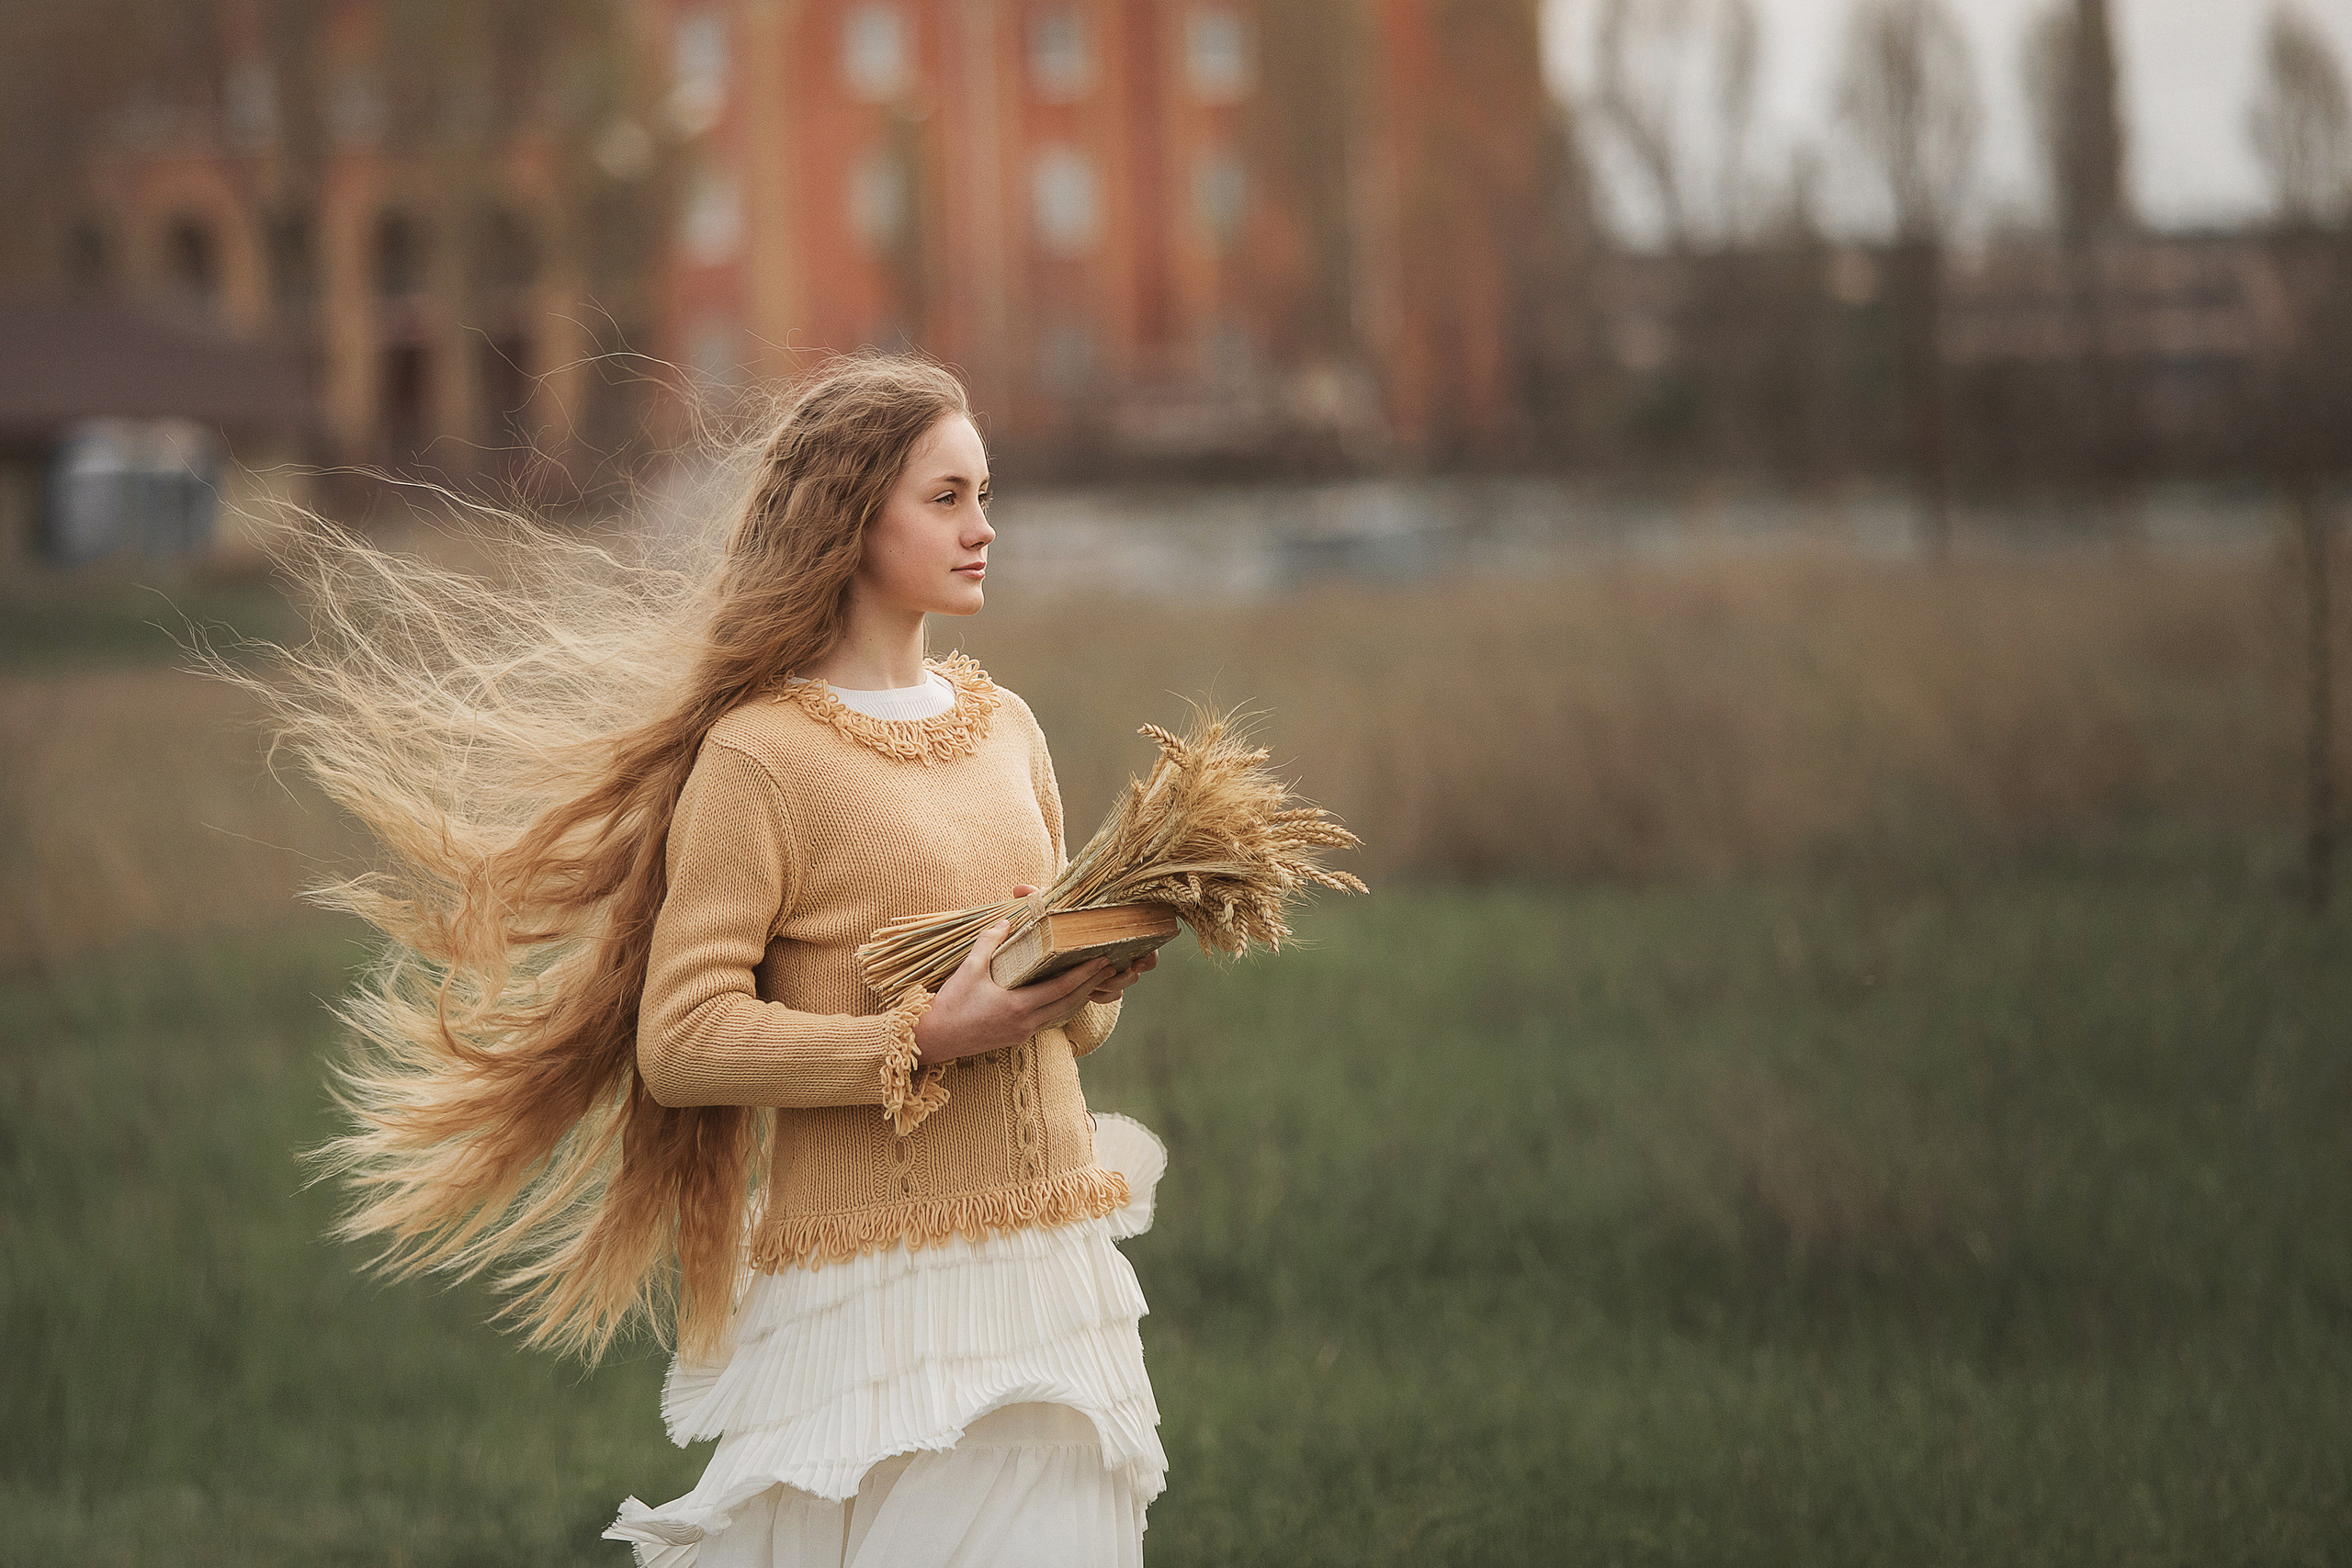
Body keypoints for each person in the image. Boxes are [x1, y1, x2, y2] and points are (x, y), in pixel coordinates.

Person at [256, 356, 1168, 1566]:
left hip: (1049, 1274)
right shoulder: (760, 757)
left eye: (984, 496)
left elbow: (1062, 1032)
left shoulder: (1009, 731)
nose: (982, 528)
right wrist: (922, 1037)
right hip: (874, 1290)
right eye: (946, 498)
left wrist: (1083, 982)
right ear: (852, 518)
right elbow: (683, 1040)